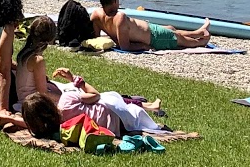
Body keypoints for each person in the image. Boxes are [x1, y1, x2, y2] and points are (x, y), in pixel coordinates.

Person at [11, 16, 166, 137]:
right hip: (35, 102)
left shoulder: (23, 54)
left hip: (27, 101)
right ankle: (143, 106)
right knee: (101, 98)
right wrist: (69, 92)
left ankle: (146, 105)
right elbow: (42, 93)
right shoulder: (37, 60)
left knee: (84, 93)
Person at [91, 0, 210, 50]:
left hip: (151, 30)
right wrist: (144, 46)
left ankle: (197, 32)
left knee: (171, 29)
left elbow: (95, 38)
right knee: (178, 38)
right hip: (154, 38)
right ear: (114, 1)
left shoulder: (96, 15)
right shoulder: (120, 17)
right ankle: (201, 41)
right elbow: (125, 46)